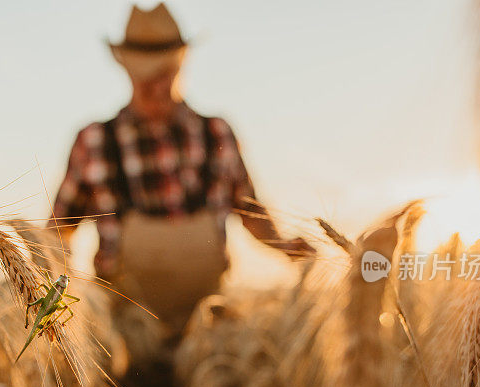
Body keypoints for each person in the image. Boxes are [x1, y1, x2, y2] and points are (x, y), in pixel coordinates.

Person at [51, 3, 313, 336]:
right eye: (144, 77)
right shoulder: (94, 141)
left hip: (209, 329)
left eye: (162, 74)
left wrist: (287, 247)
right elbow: (56, 233)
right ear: (128, 73)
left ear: (180, 67)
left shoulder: (217, 133)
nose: (154, 86)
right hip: (122, 334)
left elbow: (252, 215)